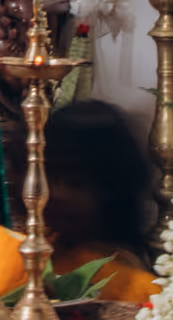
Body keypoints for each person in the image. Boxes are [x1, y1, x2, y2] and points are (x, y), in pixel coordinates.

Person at [42, 99, 157, 308]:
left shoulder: (137, 288)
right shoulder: (33, 261)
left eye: (74, 183)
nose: (56, 193)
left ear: (113, 191)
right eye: (48, 176)